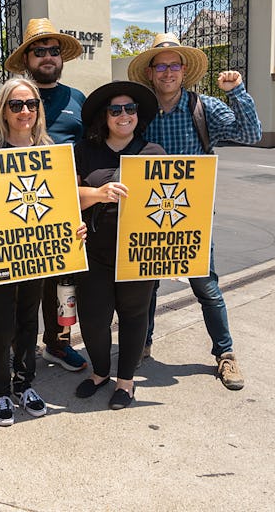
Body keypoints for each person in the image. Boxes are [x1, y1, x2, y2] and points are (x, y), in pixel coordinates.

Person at [127, 32, 262, 390]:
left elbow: (251, 135)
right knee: (146, 284)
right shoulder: (138, 111)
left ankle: (226, 354)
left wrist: (237, 93)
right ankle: (142, 343)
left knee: (206, 286)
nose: (168, 72)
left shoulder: (205, 108)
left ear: (183, 70)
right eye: (161, 65)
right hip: (146, 213)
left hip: (192, 216)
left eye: (174, 65)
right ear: (151, 72)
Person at [0, 18, 89, 372]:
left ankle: (57, 344)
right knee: (17, 299)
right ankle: (17, 353)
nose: (47, 57)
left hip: (60, 214)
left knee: (62, 291)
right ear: (26, 59)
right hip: (14, 214)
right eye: (38, 51)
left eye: (53, 51)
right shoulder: (5, 100)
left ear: (61, 57)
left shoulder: (78, 100)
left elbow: (89, 154)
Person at [73, 81, 166, 410]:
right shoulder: (85, 151)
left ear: (137, 115)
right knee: (94, 320)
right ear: (105, 116)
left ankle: (125, 382)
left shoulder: (154, 153)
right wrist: (99, 193)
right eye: (116, 109)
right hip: (94, 252)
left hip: (138, 253)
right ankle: (99, 373)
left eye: (130, 109)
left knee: (134, 315)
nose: (123, 115)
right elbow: (67, 197)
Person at [0, 78, 52, 427]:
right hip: (4, 251)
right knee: (3, 324)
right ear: (4, 110)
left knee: (29, 321)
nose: (25, 111)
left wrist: (73, 226)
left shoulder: (48, 149)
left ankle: (25, 383)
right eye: (16, 105)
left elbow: (58, 201)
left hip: (37, 250)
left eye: (31, 104)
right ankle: (0, 388)